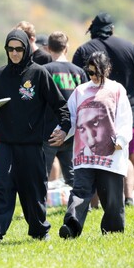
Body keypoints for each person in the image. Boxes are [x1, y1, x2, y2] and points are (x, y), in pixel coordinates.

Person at [0, 29, 71, 244]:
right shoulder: (0, 75)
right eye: (11, 49)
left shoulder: (39, 73)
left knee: (33, 189)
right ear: (6, 50)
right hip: (5, 144)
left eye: (19, 49)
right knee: (1, 188)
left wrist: (64, 129)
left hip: (31, 144)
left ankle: (39, 231)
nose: (15, 53)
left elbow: (60, 105)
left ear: (26, 49)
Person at [72, 12, 134, 205]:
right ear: (112, 29)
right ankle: (129, 198)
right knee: (125, 155)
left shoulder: (84, 50)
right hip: (126, 111)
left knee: (92, 156)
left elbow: (76, 81)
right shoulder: (129, 47)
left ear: (92, 30)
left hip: (92, 114)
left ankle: (94, 203)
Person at [59, 51, 132, 239]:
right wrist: (62, 132)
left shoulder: (117, 90)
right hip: (84, 156)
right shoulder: (80, 91)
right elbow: (71, 118)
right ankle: (71, 228)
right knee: (80, 193)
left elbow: (125, 119)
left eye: (97, 73)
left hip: (111, 155)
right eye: (90, 72)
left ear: (106, 70)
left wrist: (121, 140)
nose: (93, 77)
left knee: (112, 198)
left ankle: (113, 231)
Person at [43, 31, 87, 187]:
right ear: (66, 48)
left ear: (48, 48)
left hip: (48, 132)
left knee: (42, 176)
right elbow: (85, 102)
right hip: (72, 131)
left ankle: (37, 210)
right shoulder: (79, 72)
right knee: (73, 177)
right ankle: (82, 208)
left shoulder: (44, 71)